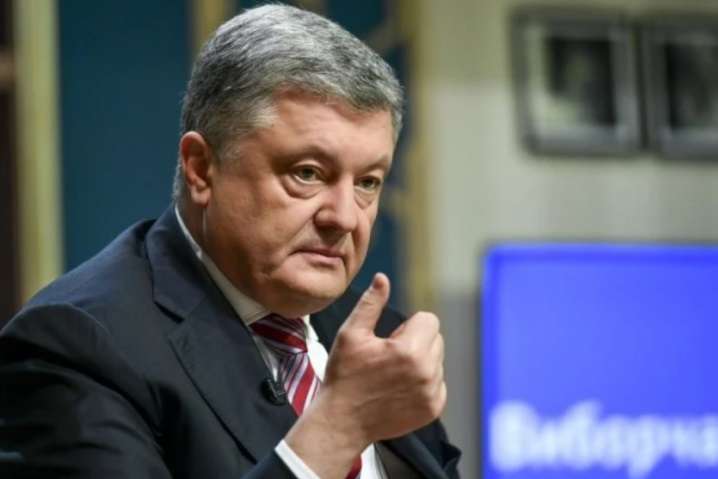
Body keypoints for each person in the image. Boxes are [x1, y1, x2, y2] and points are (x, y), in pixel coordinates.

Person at [0, 5, 461, 478]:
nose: (344, 217)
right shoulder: (78, 346)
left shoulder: (375, 339)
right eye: (307, 173)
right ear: (202, 168)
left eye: (367, 182)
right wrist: (338, 427)